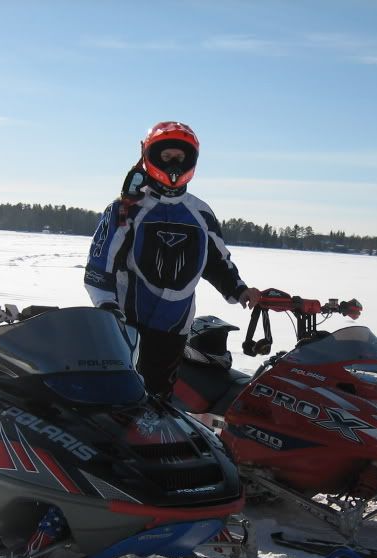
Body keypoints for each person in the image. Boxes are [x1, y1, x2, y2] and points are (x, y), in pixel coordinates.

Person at [85, 121, 261, 398]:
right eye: (166, 156)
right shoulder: (127, 208)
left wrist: (239, 289)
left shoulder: (200, 212)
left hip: (174, 326)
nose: (173, 163)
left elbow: (216, 260)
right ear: (150, 156)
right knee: (120, 397)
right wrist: (106, 307)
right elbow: (99, 264)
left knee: (158, 398)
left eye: (180, 157)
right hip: (127, 323)